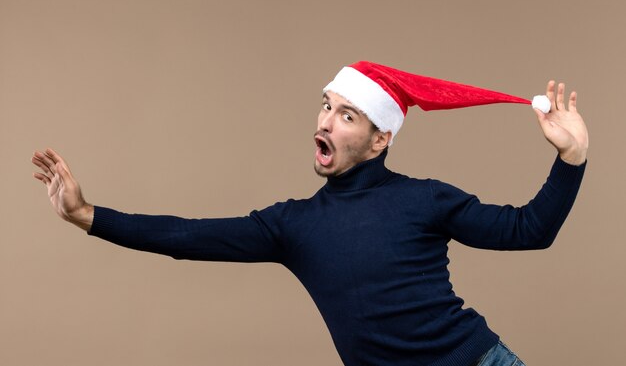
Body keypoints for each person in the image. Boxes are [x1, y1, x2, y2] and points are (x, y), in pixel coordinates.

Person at [32, 61, 588, 366]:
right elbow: (186, 236)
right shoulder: (292, 226)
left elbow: (529, 230)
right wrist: (86, 214)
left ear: (379, 140)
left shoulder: (426, 199)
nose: (325, 121)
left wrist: (571, 157)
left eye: (347, 115)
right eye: (326, 106)